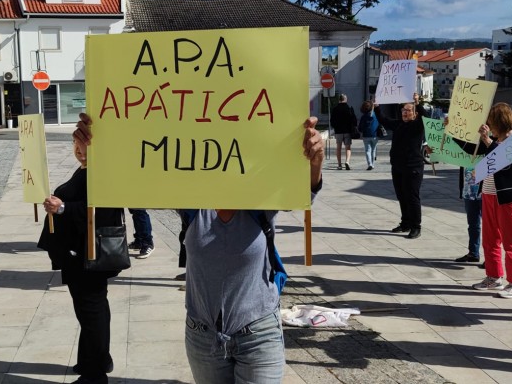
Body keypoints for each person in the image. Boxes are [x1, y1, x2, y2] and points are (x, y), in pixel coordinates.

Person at [73, 113, 324, 384]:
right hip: (202, 337)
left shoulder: (260, 200)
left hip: (259, 333)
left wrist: (314, 161)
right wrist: (96, 155)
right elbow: (131, 185)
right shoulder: (191, 202)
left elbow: (303, 190)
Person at [37, 138, 119, 384]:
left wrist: (62, 208)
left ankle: (95, 375)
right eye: (74, 143)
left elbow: (101, 210)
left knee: (91, 310)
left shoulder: (101, 173)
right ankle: (94, 359)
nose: (78, 149)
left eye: (82, 143)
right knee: (92, 310)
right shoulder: (85, 169)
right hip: (79, 253)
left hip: (88, 255)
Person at [454, 103, 512, 299]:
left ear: (498, 122)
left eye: (491, 121)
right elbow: (472, 149)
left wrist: (487, 140)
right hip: (489, 194)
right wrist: (453, 131)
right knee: (490, 239)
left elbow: (504, 159)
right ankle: (494, 276)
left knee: (511, 241)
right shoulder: (494, 140)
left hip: (509, 198)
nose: (488, 124)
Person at [374, 93, 427, 239]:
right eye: (403, 110)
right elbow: (383, 120)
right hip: (397, 166)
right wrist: (377, 107)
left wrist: (418, 102)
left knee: (412, 196)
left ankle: (416, 226)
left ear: (414, 113)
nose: (405, 112)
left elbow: (426, 116)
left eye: (408, 110)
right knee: (402, 196)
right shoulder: (398, 124)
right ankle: (405, 223)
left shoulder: (418, 125)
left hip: (413, 167)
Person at [455, 166, 482, 262]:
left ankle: (491, 257)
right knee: (472, 224)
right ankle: (473, 253)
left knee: (490, 227)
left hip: (485, 191)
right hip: (468, 190)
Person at [329, 93, 357, 170]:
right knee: (348, 148)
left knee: (338, 148)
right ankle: (347, 162)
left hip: (338, 131)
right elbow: (354, 120)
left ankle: (339, 165)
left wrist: (335, 127)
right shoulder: (349, 108)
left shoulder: (335, 109)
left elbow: (332, 121)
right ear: (345, 99)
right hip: (347, 131)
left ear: (339, 100)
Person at [357, 100, 379, 170]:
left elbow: (360, 127)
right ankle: (372, 164)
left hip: (366, 135)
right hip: (375, 134)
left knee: (367, 150)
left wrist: (360, 131)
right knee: (373, 150)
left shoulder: (363, 117)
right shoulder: (375, 115)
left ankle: (369, 164)